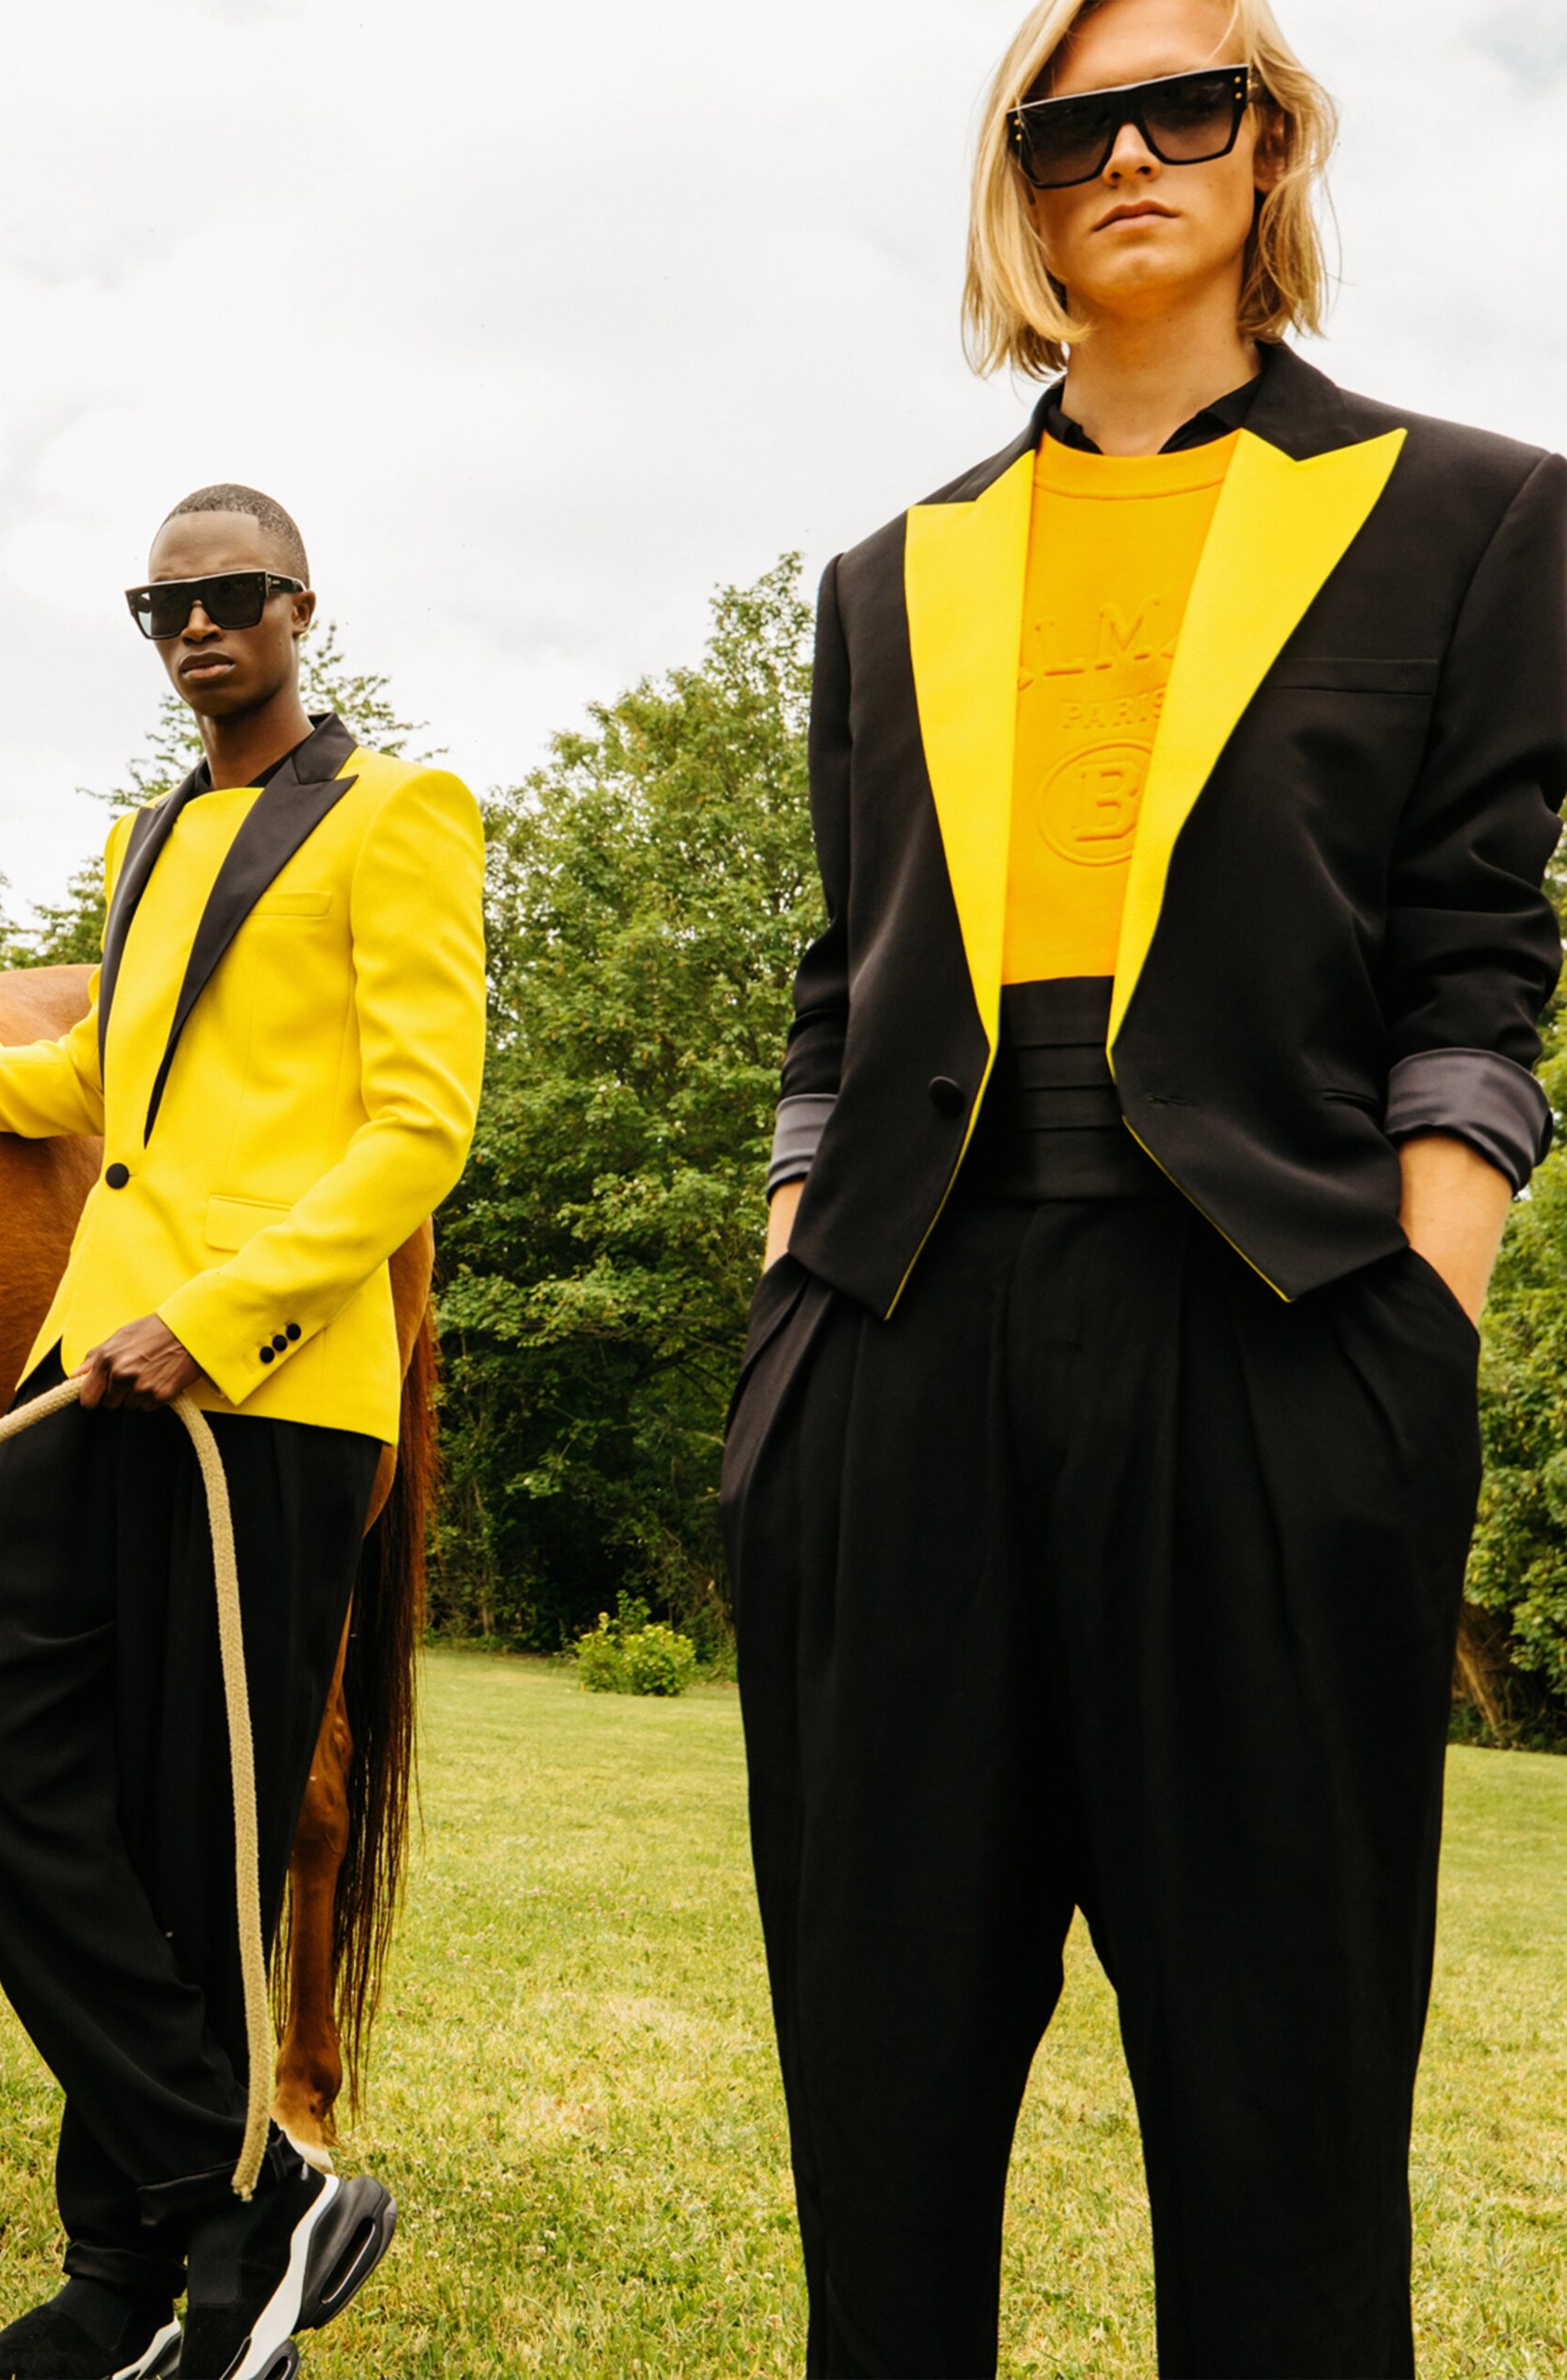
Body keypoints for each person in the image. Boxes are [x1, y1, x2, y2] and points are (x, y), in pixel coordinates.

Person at [720, 0, 1567, 2373]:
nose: (1125, 154)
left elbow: (1472, 953)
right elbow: (835, 979)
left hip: (1277, 1329)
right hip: (893, 1340)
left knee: (1282, 2122)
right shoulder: (888, 575)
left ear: (1268, 140)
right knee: (875, 2110)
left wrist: (1415, 1319)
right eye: (1063, 121)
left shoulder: (1473, 509)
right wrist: (787, 1291)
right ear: (1015, 178)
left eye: (1179, 104)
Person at [0, 486, 487, 2380]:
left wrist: (208, 1319)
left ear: (295, 607)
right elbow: (102, 1077)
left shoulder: (395, 819)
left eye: (227, 596)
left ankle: (132, 2276)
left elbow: (416, 1124)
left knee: (200, 1834)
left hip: (254, 1387)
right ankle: (249, 2189)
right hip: (84, 1352)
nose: (196, 628)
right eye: (161, 605)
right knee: (17, 1762)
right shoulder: (146, 837)